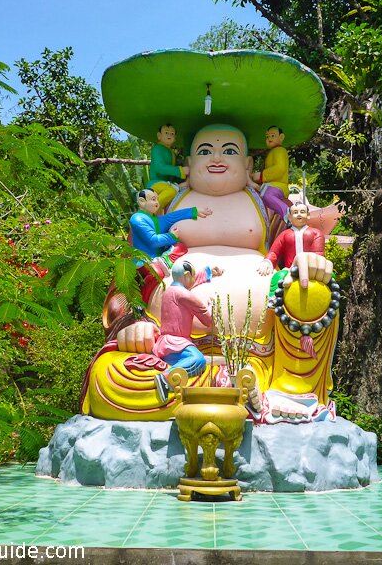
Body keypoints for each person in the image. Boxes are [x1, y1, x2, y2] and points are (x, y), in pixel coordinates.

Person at [82, 123, 336, 423]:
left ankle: (277, 388)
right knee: (108, 377)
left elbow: (300, 245)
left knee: (314, 290)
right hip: (168, 355)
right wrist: (131, 324)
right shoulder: (161, 209)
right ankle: (235, 390)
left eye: (229, 151)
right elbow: (128, 272)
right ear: (188, 163)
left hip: (262, 353)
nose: (217, 157)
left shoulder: (270, 207)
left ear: (248, 165)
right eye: (205, 151)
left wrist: (314, 263)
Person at [152, 260, 223, 403]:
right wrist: (212, 306)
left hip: (164, 344)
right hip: (177, 343)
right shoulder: (185, 295)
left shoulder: (168, 291)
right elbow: (207, 320)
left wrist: (207, 272)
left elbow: (188, 282)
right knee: (199, 360)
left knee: (194, 361)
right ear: (186, 275)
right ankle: (166, 378)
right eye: (192, 275)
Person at [257, 201, 325, 291]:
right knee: (277, 278)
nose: (299, 215)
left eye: (302, 212)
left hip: (312, 271)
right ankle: (273, 302)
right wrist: (267, 261)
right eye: (295, 213)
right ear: (289, 217)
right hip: (289, 270)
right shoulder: (285, 235)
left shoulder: (316, 233)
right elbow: (274, 252)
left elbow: (318, 255)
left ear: (308, 215)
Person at [249, 126, 290, 220]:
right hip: (270, 184)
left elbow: (280, 168)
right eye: (267, 137)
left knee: (266, 194)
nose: (269, 138)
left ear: (281, 137)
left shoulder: (280, 151)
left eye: (272, 135)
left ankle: (287, 212)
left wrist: (261, 175)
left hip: (278, 185)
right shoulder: (273, 152)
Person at [149, 124, 189, 210]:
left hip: (167, 183)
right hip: (156, 183)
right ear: (159, 136)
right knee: (172, 191)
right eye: (166, 133)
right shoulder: (157, 149)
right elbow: (159, 167)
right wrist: (180, 171)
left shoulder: (172, 153)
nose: (169, 135)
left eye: (172, 133)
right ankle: (150, 210)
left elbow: (171, 174)